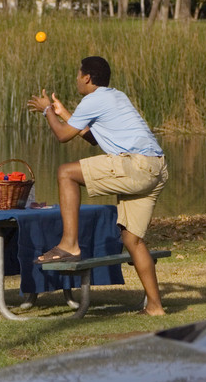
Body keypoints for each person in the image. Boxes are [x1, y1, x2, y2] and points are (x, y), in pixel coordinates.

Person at [28, 56, 168, 316]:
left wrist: (47, 110)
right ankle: (156, 307)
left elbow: (62, 136)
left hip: (136, 166)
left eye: (78, 74)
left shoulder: (92, 100)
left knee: (65, 173)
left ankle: (69, 244)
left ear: (87, 78)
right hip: (156, 167)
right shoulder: (115, 96)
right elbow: (93, 138)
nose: (76, 79)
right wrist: (64, 114)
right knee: (132, 239)